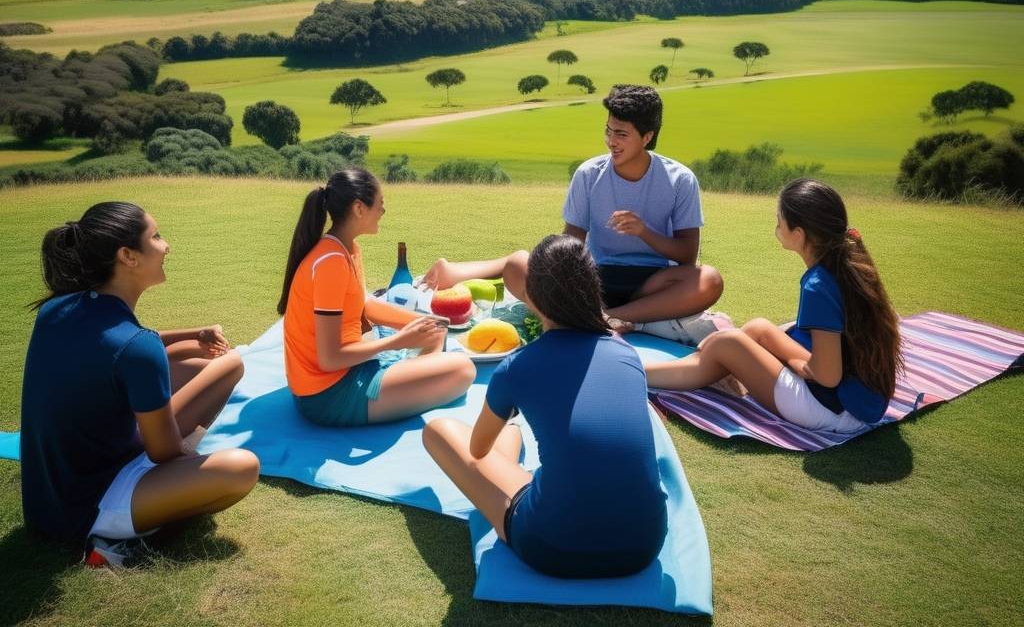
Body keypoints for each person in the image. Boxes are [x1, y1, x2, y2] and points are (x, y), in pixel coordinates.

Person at [20, 202, 260, 566]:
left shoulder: (60, 307)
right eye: (157, 237)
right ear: (128, 256)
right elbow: (163, 451)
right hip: (92, 507)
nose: (166, 246)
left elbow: (124, 344)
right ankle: (115, 545)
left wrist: (194, 334)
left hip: (45, 504)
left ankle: (153, 496)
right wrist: (189, 458)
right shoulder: (136, 347)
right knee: (240, 468)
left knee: (213, 364)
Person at [423, 234, 667, 578]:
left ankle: (511, 445)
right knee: (523, 447)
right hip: (644, 544)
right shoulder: (628, 355)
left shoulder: (519, 364)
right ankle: (513, 445)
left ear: (531, 295)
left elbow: (477, 451)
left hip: (553, 547)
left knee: (439, 431)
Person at [421, 84, 725, 344]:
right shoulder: (589, 174)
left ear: (647, 136)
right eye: (608, 131)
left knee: (709, 279)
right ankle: (600, 316)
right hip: (593, 278)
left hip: (652, 284)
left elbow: (687, 255)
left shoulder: (679, 179)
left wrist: (643, 231)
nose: (610, 141)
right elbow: (572, 242)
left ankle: (606, 320)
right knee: (516, 266)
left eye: (621, 134)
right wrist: (562, 280)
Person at [646, 178, 903, 432]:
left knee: (729, 342)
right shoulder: (846, 262)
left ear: (799, 233)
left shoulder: (818, 285)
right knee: (758, 328)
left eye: (779, 221)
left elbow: (827, 375)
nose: (777, 226)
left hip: (833, 408)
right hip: (858, 399)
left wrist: (791, 360)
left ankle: (641, 373)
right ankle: (707, 364)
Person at [279, 168, 475, 427]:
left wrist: (422, 321)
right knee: (463, 370)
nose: (384, 211)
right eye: (380, 204)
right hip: (326, 394)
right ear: (359, 208)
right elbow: (329, 359)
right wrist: (397, 342)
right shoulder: (331, 263)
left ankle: (410, 381)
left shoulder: (347, 248)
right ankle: (409, 383)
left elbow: (365, 305)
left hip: (348, 370)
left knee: (436, 333)